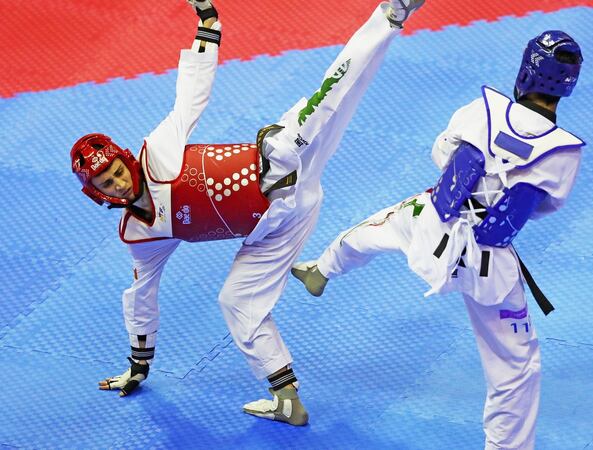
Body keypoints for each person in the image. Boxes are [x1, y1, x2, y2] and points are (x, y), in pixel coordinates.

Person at [69, 0, 425, 426]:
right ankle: (287, 399)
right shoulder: (140, 237)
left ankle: (393, 10)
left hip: (282, 161)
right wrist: (139, 366)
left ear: (125, 159)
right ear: (98, 195)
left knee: (333, 94)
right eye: (107, 183)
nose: (119, 182)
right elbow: (141, 298)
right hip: (279, 226)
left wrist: (207, 28)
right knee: (237, 301)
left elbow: (190, 95)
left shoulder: (157, 153)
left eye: (116, 171)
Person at [292, 31, 584, 447]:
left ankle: (322, 269)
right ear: (569, 85)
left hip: (433, 226)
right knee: (517, 367)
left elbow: (441, 154)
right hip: (490, 267)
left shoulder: (482, 109)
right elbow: (545, 207)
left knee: (380, 226)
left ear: (525, 70)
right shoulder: (565, 153)